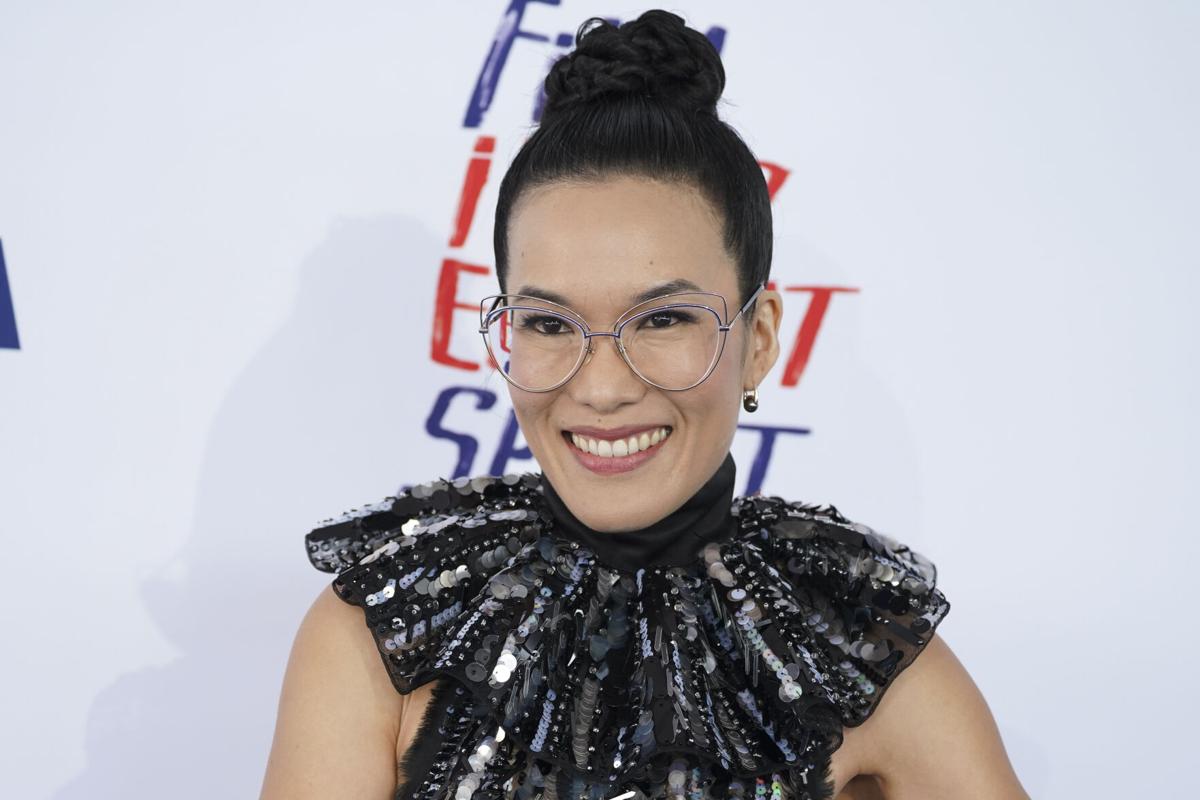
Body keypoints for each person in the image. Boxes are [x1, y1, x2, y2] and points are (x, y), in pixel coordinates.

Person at [261, 10, 1029, 800]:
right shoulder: (386, 635)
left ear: (760, 337)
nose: (601, 388)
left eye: (663, 320)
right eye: (549, 323)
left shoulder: (856, 658)